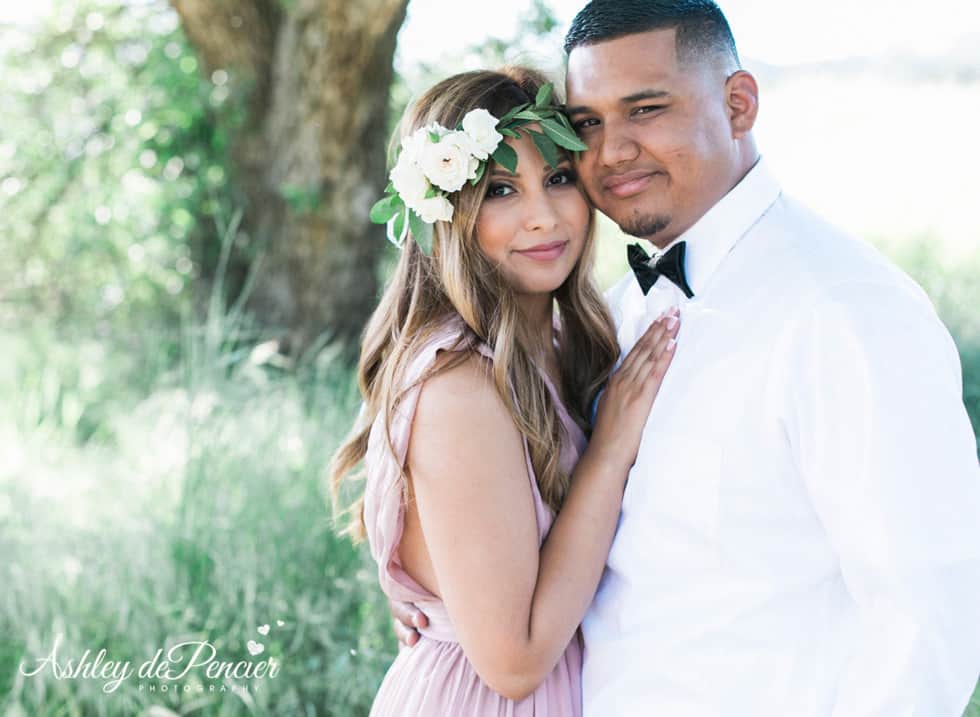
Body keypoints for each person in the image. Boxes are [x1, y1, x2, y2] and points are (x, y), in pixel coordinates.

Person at [392, 2, 980, 715]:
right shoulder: (607, 319)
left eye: (646, 109)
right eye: (589, 124)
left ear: (739, 104)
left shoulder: (843, 312)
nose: (611, 152)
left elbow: (930, 620)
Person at [330, 66, 681, 716]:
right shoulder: (459, 388)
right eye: (500, 190)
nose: (544, 218)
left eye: (557, 179)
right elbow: (513, 661)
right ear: (447, 213)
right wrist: (609, 452)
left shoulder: (552, 341)